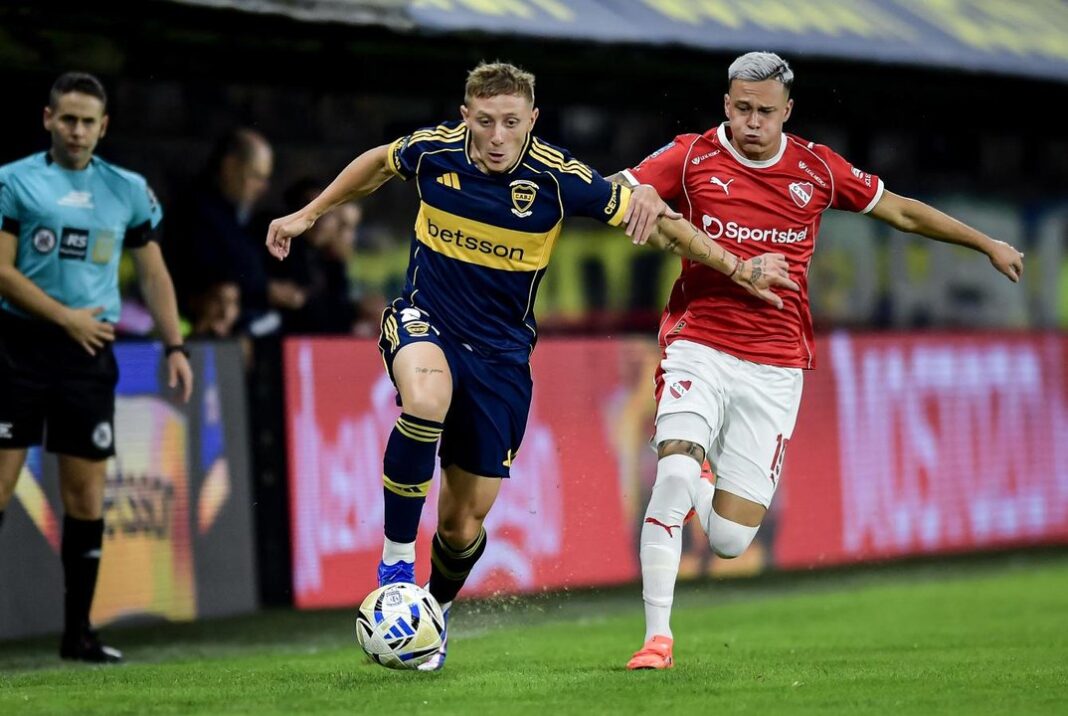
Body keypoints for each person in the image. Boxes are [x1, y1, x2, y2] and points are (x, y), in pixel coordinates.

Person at [266, 61, 797, 671]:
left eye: (511, 123)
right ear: (466, 116)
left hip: (501, 362)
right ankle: (393, 565)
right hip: (425, 321)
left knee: (462, 526)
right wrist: (310, 213)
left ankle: (426, 617)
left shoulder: (558, 178)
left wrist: (737, 266)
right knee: (425, 399)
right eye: (485, 121)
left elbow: (663, 227)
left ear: (532, 122)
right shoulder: (435, 152)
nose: (496, 136)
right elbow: (380, 162)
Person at [617, 51, 1025, 670]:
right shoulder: (693, 156)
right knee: (671, 473)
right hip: (698, 341)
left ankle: (703, 480)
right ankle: (656, 640)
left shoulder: (816, 169)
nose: (752, 122)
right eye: (742, 109)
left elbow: (903, 212)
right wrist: (637, 191)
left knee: (729, 541)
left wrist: (985, 243)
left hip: (776, 365)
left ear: (787, 112)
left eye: (766, 112)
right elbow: (620, 186)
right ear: (726, 105)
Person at [0, 72, 193, 662]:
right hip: (17, 348)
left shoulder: (128, 189)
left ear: (103, 126)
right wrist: (66, 317)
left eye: (88, 121)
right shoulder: (14, 181)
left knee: (86, 499)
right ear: (47, 120)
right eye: (68, 119)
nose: (77, 130)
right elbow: (1, 271)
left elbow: (154, 273)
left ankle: (78, 634)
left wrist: (174, 345)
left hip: (87, 357)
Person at [166, 128, 294, 337]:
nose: (263, 188)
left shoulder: (238, 215)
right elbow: (213, 273)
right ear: (230, 166)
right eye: (256, 176)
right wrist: (266, 289)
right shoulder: (195, 211)